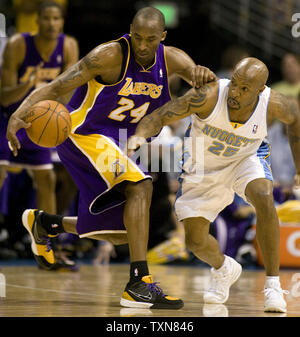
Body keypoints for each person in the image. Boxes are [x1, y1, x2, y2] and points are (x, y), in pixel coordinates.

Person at [6, 7, 216, 309]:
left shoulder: (173, 59)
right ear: (130, 30)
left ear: (163, 37)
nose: (143, 46)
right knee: (141, 186)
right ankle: (138, 283)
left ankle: (47, 225)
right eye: (138, 37)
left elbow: (205, 87)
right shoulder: (108, 55)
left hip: (121, 143)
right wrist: (19, 113)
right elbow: (57, 86)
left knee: (123, 233)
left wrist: (203, 76)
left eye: (151, 39)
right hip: (85, 134)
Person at [127, 57, 300, 313]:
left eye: (244, 89)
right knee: (195, 242)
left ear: (260, 90)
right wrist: (139, 137)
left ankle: (273, 287)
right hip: (202, 167)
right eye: (235, 84)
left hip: (245, 158)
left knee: (264, 196)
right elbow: (160, 116)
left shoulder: (274, 103)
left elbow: (295, 121)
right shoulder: (208, 95)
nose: (235, 92)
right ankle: (224, 268)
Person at [0, 1, 79, 268]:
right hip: (10, 118)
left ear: (62, 22)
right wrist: (31, 86)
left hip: (40, 122)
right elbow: (3, 95)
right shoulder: (18, 45)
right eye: (46, 18)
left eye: (56, 18)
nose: (51, 23)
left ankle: (48, 245)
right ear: (37, 21)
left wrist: (54, 106)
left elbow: (69, 91)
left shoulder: (68, 46)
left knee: (47, 179)